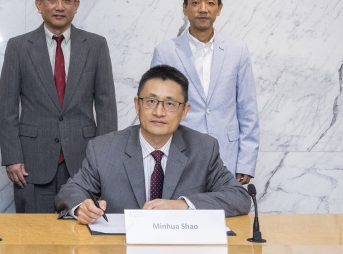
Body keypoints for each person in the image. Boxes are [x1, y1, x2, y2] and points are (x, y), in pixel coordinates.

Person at [55, 65, 251, 223]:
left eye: (170, 104)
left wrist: (183, 205)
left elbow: (238, 198)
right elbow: (69, 191)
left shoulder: (203, 149)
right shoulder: (104, 149)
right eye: (150, 101)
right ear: (137, 105)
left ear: (185, 111)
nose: (159, 112)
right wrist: (82, 207)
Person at [0, 0, 117, 213]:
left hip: (84, 161)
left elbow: (106, 107)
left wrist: (103, 160)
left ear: (76, 6)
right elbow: (7, 107)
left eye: (66, 0)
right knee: (32, 238)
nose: (59, 7)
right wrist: (12, 157)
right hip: (31, 163)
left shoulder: (96, 45)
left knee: (82, 238)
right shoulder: (19, 47)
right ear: (39, 5)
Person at [151, 0, 259, 184]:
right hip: (179, 151)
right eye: (195, 2)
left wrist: (246, 162)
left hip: (227, 155)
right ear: (185, 8)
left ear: (219, 9)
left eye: (210, 3)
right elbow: (155, 109)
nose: (203, 9)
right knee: (180, 211)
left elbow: (248, 109)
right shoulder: (166, 52)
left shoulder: (237, 50)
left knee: (226, 213)